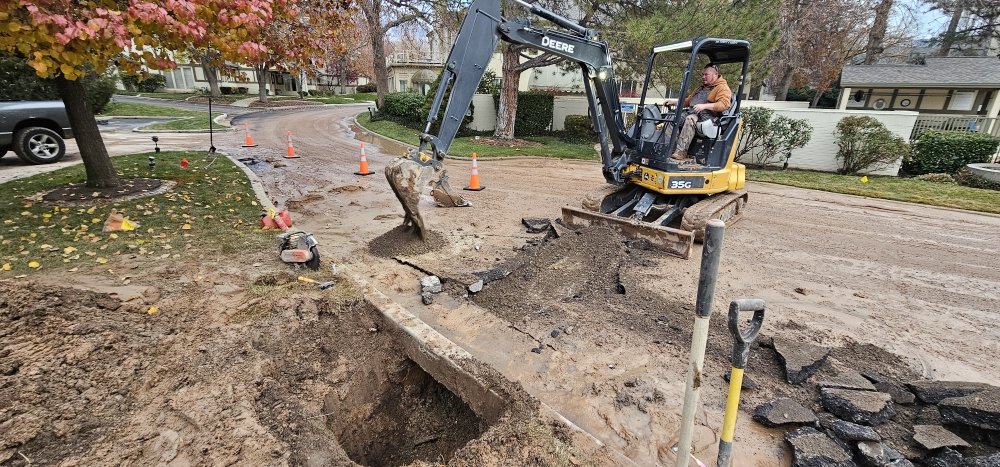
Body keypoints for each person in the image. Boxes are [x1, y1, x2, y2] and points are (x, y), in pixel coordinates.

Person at [670, 63, 732, 163]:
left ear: (715, 75)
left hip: (710, 118)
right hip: (695, 112)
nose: (703, 77)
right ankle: (668, 148)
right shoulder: (701, 88)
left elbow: (724, 104)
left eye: (706, 74)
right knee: (673, 118)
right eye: (702, 74)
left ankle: (681, 151)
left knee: (690, 119)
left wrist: (704, 106)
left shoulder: (722, 88)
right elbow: (688, 101)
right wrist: (674, 102)